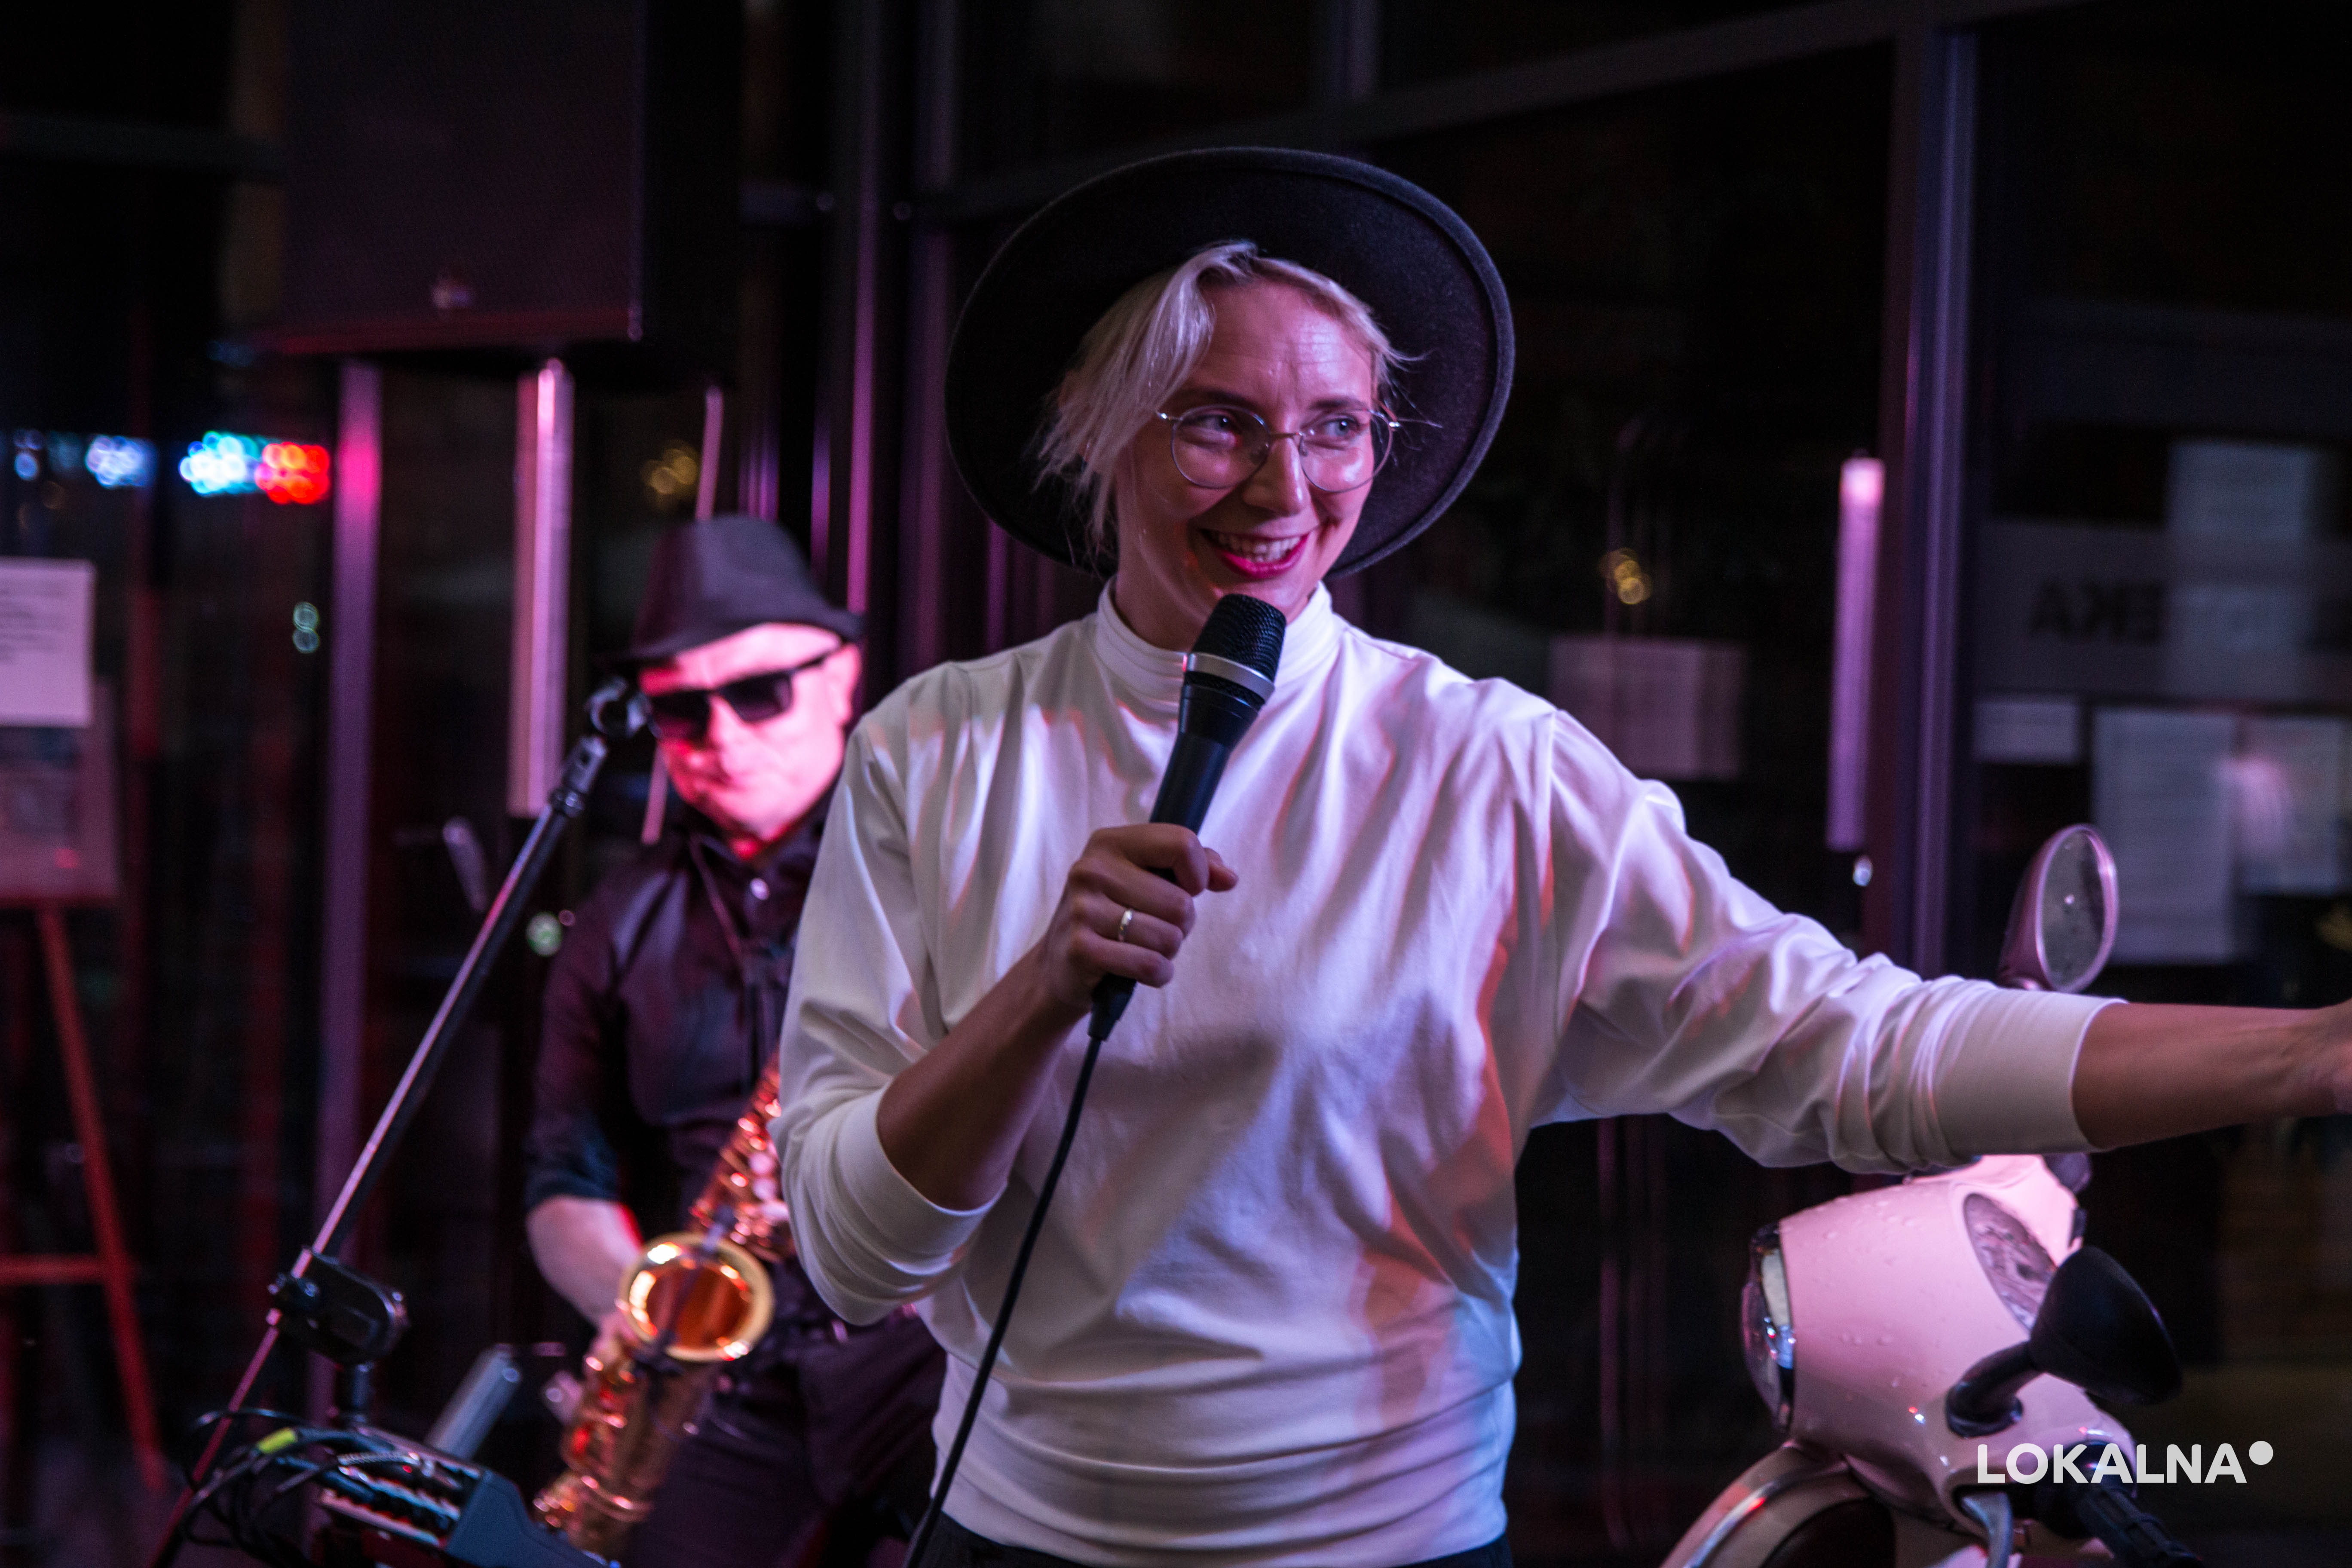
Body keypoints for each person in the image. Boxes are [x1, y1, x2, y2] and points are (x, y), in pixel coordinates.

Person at [769, 149, 2349, 1568]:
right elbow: (850, 1255)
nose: (1284, 486)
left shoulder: (1489, 768)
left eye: (1335, 427)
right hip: (1019, 1536)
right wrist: (1039, 991)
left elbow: (1850, 1045)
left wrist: (2304, 1057)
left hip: (1391, 1547)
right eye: (1218, 423)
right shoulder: (935, 751)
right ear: (1099, 420)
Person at [525, 514, 942, 1568]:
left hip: (926, 1349)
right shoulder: (617, 923)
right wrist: (644, 1305)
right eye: (679, 709)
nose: (720, 735)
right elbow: (564, 1180)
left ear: (841, 676)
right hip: (723, 1377)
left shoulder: (943, 870)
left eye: (759, 692)